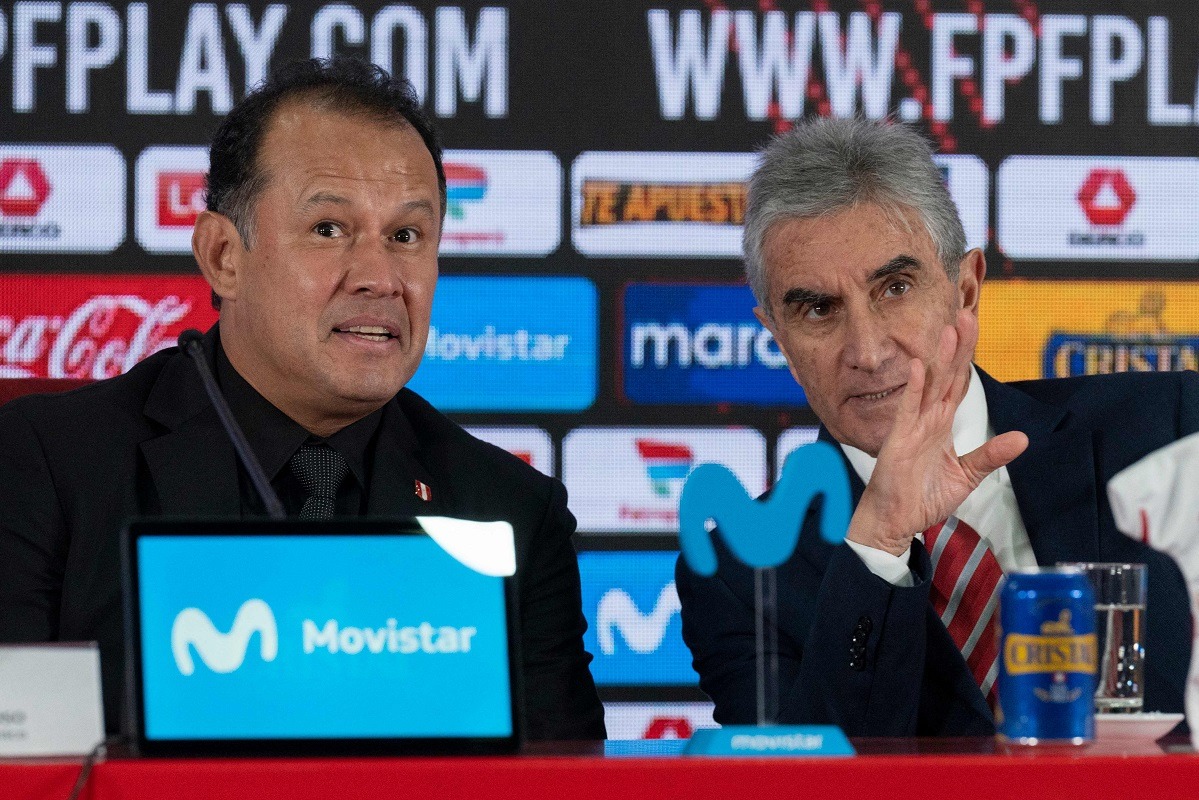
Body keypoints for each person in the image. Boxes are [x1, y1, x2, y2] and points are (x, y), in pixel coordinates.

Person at [0, 56, 605, 741]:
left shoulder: (509, 510)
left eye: (406, 237)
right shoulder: (45, 466)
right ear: (223, 256)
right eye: (329, 230)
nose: (380, 278)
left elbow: (560, 779)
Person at [676, 116, 1198, 736]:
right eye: (818, 309)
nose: (867, 350)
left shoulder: (1170, 432)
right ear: (780, 340)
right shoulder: (743, 577)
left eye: (895, 287)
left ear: (966, 289)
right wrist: (879, 543)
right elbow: (803, 781)